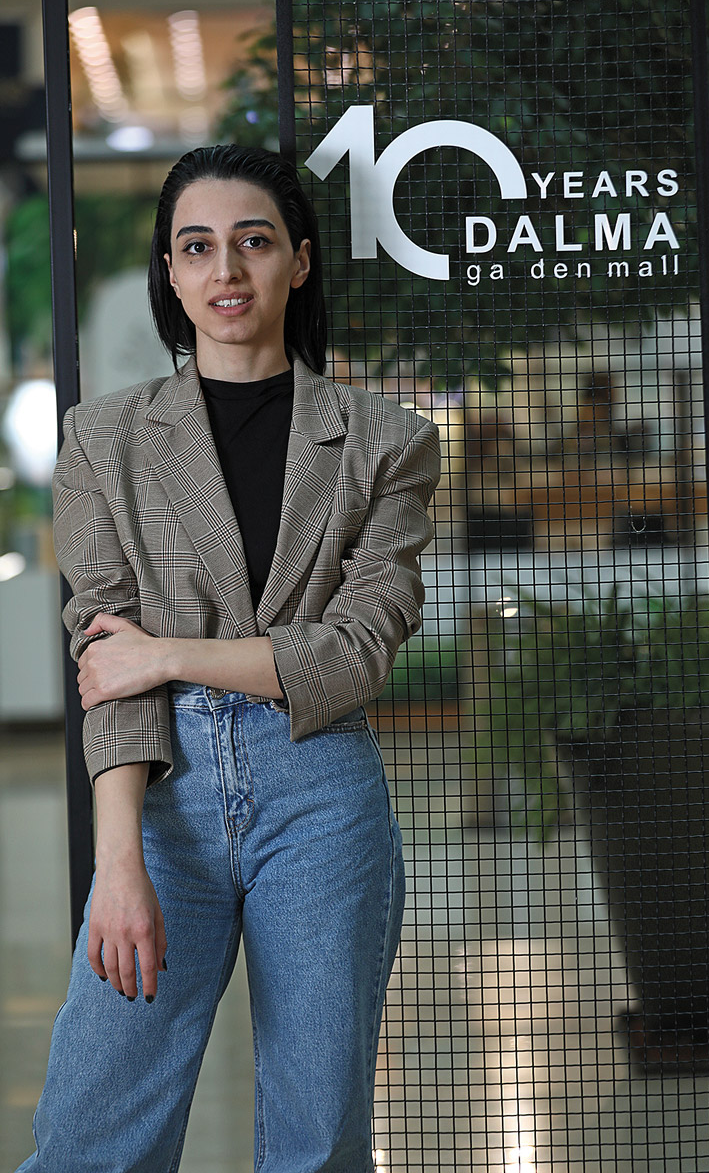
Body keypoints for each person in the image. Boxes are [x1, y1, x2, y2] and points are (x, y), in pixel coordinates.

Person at [17, 144, 442, 1173]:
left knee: (317, 1137)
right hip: (160, 795)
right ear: (169, 272)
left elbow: (352, 658)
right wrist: (118, 861)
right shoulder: (103, 441)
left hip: (320, 789)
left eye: (253, 241)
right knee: (90, 1134)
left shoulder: (387, 442)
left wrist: (164, 652)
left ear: (299, 259)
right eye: (196, 247)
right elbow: (109, 679)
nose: (226, 270)